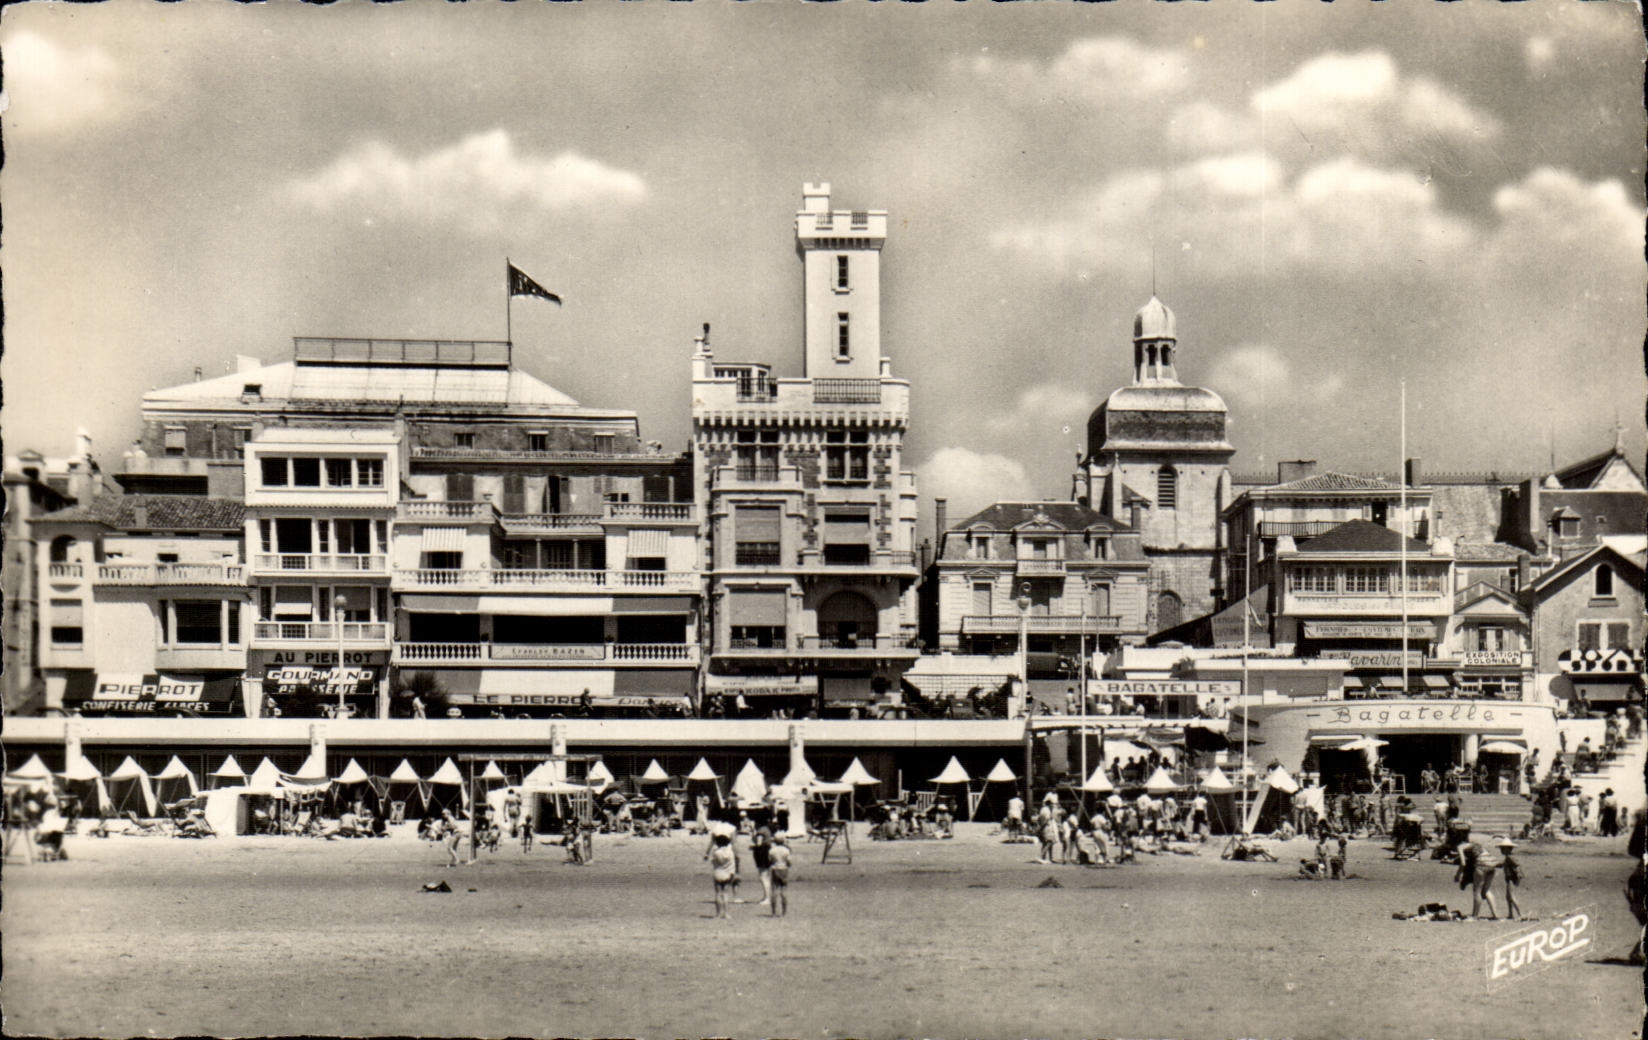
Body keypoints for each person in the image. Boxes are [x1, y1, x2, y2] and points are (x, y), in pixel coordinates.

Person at [1454, 838, 1502, 920]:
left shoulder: (1460, 847)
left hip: (1481, 865)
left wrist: (1458, 875)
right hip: (1492, 864)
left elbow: (1463, 863)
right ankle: (1495, 915)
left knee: (1477, 891)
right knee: (1486, 890)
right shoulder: (1476, 845)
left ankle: (1475, 916)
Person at [709, 831, 737, 919]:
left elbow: (713, 862)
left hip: (718, 873)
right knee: (725, 894)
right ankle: (726, 913)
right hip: (728, 874)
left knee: (718, 894)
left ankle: (718, 914)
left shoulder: (716, 853)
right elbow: (733, 864)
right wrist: (732, 875)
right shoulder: (730, 853)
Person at [1497, 837, 1523, 920]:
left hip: (1512, 878)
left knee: (1511, 896)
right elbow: (1502, 864)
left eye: (1502, 848)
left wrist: (1518, 874)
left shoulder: (1510, 857)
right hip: (1509, 878)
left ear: (1508, 849)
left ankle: (1520, 914)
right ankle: (1511, 914)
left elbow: (1517, 865)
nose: (1501, 850)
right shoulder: (1508, 857)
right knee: (1508, 897)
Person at [767, 833, 791, 917]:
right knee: (784, 891)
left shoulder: (772, 850)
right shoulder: (786, 850)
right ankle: (784, 912)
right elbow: (789, 862)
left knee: (774, 890)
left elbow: (770, 860)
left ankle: (774, 912)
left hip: (775, 869)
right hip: (784, 869)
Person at [751, 822, 774, 908]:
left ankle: (767, 898)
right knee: (765, 876)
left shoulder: (761, 831)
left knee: (763, 876)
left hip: (762, 853)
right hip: (766, 852)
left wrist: (752, 847)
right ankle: (766, 896)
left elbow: (758, 843)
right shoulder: (766, 829)